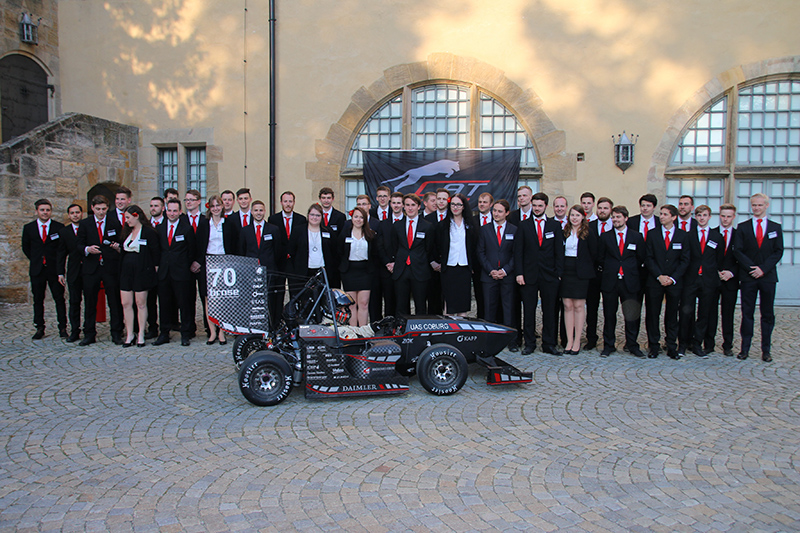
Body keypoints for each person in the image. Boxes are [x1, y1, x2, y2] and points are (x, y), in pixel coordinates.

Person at [734, 193, 783, 362]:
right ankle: (745, 348)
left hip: (768, 276)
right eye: (754, 205)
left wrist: (763, 269)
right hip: (748, 277)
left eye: (760, 205)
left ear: (766, 206)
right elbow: (738, 251)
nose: (756, 208)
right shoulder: (743, 227)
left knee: (767, 314)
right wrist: (751, 269)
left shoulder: (775, 228)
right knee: (747, 312)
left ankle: (766, 350)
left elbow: (778, 251)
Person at [515, 192, 564, 355]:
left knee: (550, 311)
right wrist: (519, 273)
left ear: (546, 207)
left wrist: (558, 274)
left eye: (540, 206)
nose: (536, 208)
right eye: (534, 205)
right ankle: (529, 343)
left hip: (549, 276)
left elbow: (559, 251)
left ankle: (549, 343)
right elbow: (518, 252)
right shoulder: (523, 225)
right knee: (529, 311)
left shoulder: (554, 226)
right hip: (528, 275)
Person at [597, 206, 647, 358]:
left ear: (626, 218)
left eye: (618, 217)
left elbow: (641, 257)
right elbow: (600, 258)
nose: (615, 220)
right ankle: (608, 345)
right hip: (611, 281)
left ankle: (632, 345)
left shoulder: (636, 236)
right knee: (609, 314)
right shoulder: (605, 237)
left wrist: (628, 269)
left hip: (630, 281)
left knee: (631, 315)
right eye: (613, 217)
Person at [76, 195, 124, 346]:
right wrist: (87, 249)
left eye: (104, 209)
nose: (101, 212)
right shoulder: (85, 224)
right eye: (98, 209)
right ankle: (89, 333)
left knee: (114, 301)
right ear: (92, 208)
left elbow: (120, 241)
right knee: (90, 302)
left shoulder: (114, 222)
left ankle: (116, 332)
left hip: (110, 267)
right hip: (91, 268)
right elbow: (78, 244)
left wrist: (117, 247)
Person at [645, 204, 690, 359]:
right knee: (652, 314)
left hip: (674, 282)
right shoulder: (652, 234)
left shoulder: (683, 236)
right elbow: (648, 257)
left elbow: (685, 260)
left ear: (674, 217)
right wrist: (659, 275)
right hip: (655, 280)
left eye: (665, 214)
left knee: (672, 315)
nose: (661, 216)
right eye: (661, 214)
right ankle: (654, 346)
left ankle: (671, 346)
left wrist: (672, 278)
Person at [681, 205, 725, 357]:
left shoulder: (716, 236)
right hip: (691, 279)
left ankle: (697, 342)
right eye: (699, 215)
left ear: (709, 217)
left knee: (704, 313)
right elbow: (686, 256)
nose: (701, 218)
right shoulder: (689, 235)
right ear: (696, 217)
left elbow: (719, 259)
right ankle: (683, 343)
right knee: (686, 312)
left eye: (704, 215)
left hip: (708, 280)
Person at [154, 198, 197, 347]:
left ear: (180, 212)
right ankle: (164, 333)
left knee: (183, 304)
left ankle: (185, 334)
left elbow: (192, 251)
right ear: (166, 211)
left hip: (181, 272)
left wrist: (186, 266)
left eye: (175, 211)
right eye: (170, 210)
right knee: (164, 304)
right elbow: (158, 250)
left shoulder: (186, 228)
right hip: (164, 272)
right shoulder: (159, 228)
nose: (172, 213)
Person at [22, 198, 67, 339]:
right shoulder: (29, 228)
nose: (45, 212)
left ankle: (63, 327)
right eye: (42, 210)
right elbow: (26, 248)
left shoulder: (58, 227)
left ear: (51, 211)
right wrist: (37, 260)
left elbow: (61, 249)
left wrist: (59, 268)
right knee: (38, 299)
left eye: (48, 210)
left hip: (54, 269)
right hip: (37, 269)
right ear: (37, 211)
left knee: (59, 299)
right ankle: (40, 327)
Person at [119, 205, 160, 347]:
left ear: (136, 216)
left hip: (142, 270)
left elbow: (155, 253)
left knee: (141, 303)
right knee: (126, 303)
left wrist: (153, 270)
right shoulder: (126, 231)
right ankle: (130, 333)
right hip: (126, 270)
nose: (126, 221)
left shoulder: (149, 232)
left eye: (128, 218)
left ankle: (141, 333)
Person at [559, 205, 597, 355]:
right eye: (572, 215)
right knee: (567, 305)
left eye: (577, 215)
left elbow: (594, 253)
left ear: (583, 217)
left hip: (581, 272)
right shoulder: (565, 232)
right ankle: (569, 340)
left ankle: (577, 341)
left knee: (579, 306)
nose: (574, 218)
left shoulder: (588, 233)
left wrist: (585, 267)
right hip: (566, 270)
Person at [388, 193, 434, 315]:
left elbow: (429, 248)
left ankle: (420, 332)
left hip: (420, 270)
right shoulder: (397, 226)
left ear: (419, 206)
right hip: (401, 270)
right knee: (401, 305)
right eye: (407, 205)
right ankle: (402, 331)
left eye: (413, 205)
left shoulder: (427, 226)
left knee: (421, 305)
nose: (410, 208)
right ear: (403, 206)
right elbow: (394, 246)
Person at [199, 195, 237, 344]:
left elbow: (233, 244)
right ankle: (212, 332)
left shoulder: (228, 224)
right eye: (212, 206)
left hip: (224, 262)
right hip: (208, 262)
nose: (215, 208)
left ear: (222, 207)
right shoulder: (204, 224)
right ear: (209, 208)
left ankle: (222, 331)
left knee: (222, 298)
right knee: (208, 298)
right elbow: (199, 244)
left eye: (218, 206)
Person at [432, 193, 477, 316]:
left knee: (463, 301)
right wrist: (437, 262)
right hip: (449, 268)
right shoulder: (442, 225)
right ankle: (449, 331)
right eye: (453, 204)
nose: (455, 207)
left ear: (463, 207)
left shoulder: (471, 225)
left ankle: (461, 330)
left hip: (464, 267)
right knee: (449, 301)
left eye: (458, 204)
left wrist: (473, 265)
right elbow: (435, 246)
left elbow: (474, 247)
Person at [240, 200, 283, 326]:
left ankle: (270, 325)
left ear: (264, 212)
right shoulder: (245, 231)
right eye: (256, 210)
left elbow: (278, 251)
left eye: (261, 210)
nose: (258, 213)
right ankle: (253, 324)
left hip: (269, 271)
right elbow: (242, 251)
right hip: (250, 272)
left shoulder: (273, 229)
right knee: (253, 300)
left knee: (269, 300)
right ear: (252, 212)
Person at [477, 199, 516, 333]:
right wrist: (491, 270)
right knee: (489, 310)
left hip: (507, 277)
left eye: (500, 211)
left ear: (507, 213)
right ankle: (489, 340)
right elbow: (480, 252)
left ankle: (510, 340)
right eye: (494, 211)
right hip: (489, 276)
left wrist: (505, 270)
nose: (496, 214)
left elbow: (516, 254)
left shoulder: (514, 230)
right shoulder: (484, 229)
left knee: (508, 309)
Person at [268, 191, 308, 314]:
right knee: (278, 292)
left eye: (290, 201)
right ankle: (278, 319)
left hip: (295, 262)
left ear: (294, 203)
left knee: (295, 292)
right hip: (279, 262)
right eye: (285, 201)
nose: (288, 204)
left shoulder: (301, 219)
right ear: (281, 203)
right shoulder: (273, 219)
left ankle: (295, 319)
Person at [338, 206, 376, 326]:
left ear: (365, 220)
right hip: (349, 271)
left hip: (365, 271)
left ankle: (363, 331)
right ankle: (354, 332)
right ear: (352, 218)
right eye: (356, 217)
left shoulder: (370, 235)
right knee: (352, 304)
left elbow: (374, 253)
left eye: (361, 217)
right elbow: (339, 252)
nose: (358, 220)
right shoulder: (344, 234)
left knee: (364, 303)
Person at [709, 204, 738, 356]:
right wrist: (717, 272)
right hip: (713, 278)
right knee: (710, 312)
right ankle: (709, 343)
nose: (725, 219)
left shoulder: (739, 235)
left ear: (733, 217)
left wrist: (731, 272)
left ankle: (728, 345)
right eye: (723, 216)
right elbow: (707, 257)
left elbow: (742, 259)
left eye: (728, 216)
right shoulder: (711, 233)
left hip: (731, 280)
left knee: (728, 313)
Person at [585, 197, 613, 350]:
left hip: (610, 274)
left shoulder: (615, 226)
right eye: (600, 208)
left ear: (611, 210)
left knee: (609, 309)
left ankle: (609, 340)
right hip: (593, 274)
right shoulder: (589, 226)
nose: (602, 211)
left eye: (606, 208)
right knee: (592, 309)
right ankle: (591, 339)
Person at [374, 192, 405, 320]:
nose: (396, 205)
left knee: (403, 301)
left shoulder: (407, 222)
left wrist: (398, 263)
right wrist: (388, 262)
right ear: (390, 203)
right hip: (386, 269)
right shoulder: (383, 224)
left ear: (402, 204)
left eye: (399, 203)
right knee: (388, 301)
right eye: (394, 203)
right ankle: (388, 327)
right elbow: (379, 246)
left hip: (403, 268)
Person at [289, 203, 337, 283]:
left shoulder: (328, 231)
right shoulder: (298, 231)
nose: (314, 217)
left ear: (322, 217)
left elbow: (334, 251)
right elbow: (292, 250)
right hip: (304, 272)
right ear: (308, 215)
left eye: (318, 215)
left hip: (322, 272)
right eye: (312, 215)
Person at [57, 203, 84, 342]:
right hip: (73, 271)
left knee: (90, 301)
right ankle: (75, 331)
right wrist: (60, 272)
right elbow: (61, 254)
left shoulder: (87, 227)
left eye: (77, 212)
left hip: (88, 269)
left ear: (81, 213)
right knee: (74, 301)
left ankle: (89, 329)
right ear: (69, 215)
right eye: (72, 213)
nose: (75, 215)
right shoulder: (64, 232)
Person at [184, 189, 207, 338]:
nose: (189, 202)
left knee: (205, 297)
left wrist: (199, 261)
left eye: (192, 199)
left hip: (203, 265)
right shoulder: (181, 220)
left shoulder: (205, 221)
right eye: (186, 200)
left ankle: (208, 328)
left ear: (199, 201)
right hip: (185, 266)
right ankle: (189, 329)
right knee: (187, 299)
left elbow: (207, 244)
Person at [145, 197, 165, 339]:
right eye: (151, 206)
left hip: (165, 268)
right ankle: (152, 327)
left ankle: (166, 328)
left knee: (165, 300)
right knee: (150, 300)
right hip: (149, 268)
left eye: (156, 206)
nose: (153, 208)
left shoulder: (168, 223)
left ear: (162, 208)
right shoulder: (146, 226)